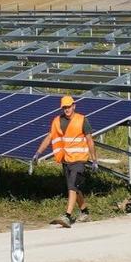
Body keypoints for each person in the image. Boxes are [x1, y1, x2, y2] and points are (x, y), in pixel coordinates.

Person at [34, 95, 96, 227]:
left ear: (74, 106)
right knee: (75, 188)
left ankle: (67, 216)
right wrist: (38, 153)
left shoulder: (82, 120)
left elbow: (90, 141)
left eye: (69, 106)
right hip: (66, 159)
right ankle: (85, 212)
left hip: (79, 159)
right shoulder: (57, 121)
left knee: (72, 186)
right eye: (64, 107)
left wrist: (94, 160)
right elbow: (49, 137)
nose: (67, 109)